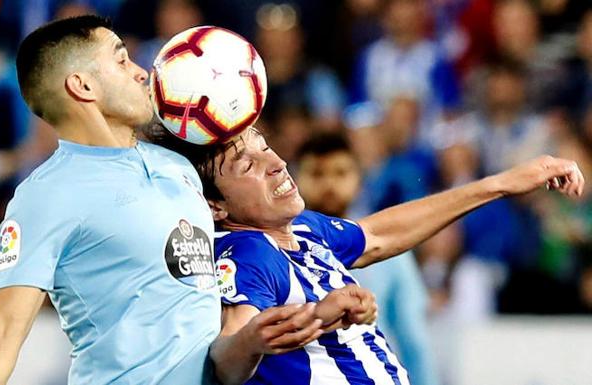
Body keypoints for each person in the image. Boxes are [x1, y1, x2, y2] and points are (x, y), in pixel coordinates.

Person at [0, 15, 369, 385]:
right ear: (82, 86)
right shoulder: (46, 195)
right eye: (122, 61)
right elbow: (1, 333)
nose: (142, 72)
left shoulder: (177, 163)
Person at [164, 125, 583, 385]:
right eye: (245, 165)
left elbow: (377, 234)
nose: (275, 163)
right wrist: (308, 319)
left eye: (265, 146)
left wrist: (502, 184)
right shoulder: (246, 251)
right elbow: (227, 357)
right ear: (215, 207)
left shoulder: (306, 228)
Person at [295, 132, 440, 385]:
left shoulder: (389, 252)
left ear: (359, 180)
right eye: (317, 174)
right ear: (295, 180)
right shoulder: (273, 246)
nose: (329, 184)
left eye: (340, 173)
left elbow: (414, 339)